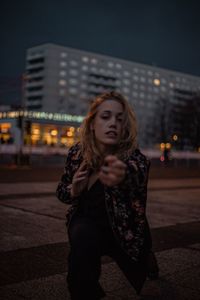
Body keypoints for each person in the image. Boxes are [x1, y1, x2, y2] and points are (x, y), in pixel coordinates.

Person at [56, 91, 159, 300]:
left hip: (124, 228)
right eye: (105, 117)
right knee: (80, 263)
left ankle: (148, 259)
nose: (113, 123)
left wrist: (122, 174)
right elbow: (62, 189)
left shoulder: (133, 157)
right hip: (87, 221)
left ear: (124, 128)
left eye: (119, 119)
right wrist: (74, 190)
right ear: (92, 123)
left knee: (143, 252)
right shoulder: (77, 153)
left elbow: (138, 172)